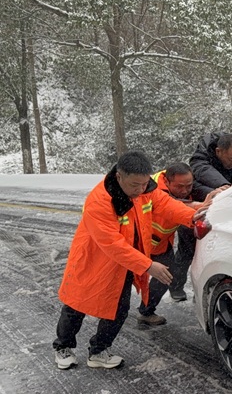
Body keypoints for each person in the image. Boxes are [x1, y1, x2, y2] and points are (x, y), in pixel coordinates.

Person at [53, 151, 200, 370]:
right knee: (77, 305)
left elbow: (168, 205)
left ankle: (99, 351)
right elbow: (111, 243)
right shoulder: (100, 200)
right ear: (119, 176)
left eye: (144, 184)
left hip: (124, 263)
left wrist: (193, 217)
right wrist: (148, 265)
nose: (140, 190)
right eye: (134, 185)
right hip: (93, 260)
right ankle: (63, 346)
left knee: (118, 308)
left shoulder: (145, 189)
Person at [136, 163, 225, 326]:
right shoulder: (153, 190)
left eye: (189, 186)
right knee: (119, 282)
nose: (185, 190)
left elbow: (197, 194)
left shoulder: (184, 183)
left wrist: (220, 194)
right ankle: (103, 309)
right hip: (136, 243)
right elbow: (173, 205)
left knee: (165, 276)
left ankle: (147, 312)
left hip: (160, 243)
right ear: (168, 183)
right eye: (180, 187)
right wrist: (199, 206)